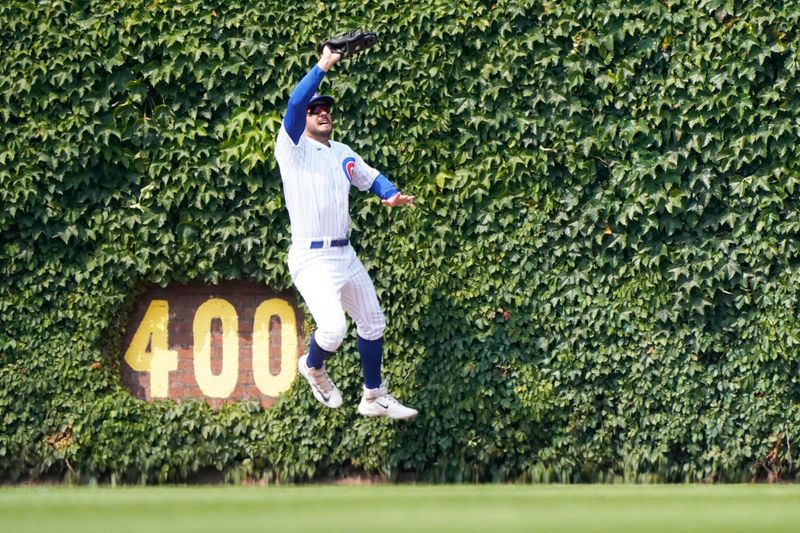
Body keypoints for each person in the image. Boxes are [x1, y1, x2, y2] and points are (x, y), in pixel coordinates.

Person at [274, 44, 418, 420]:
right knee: (334, 329)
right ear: (304, 118)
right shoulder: (292, 148)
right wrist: (324, 63)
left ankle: (373, 396)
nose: (322, 112)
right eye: (315, 109)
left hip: (344, 254)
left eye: (326, 109)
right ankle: (313, 365)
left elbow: (368, 176)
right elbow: (293, 104)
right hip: (311, 257)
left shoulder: (341, 151)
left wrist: (389, 194)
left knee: (373, 322)